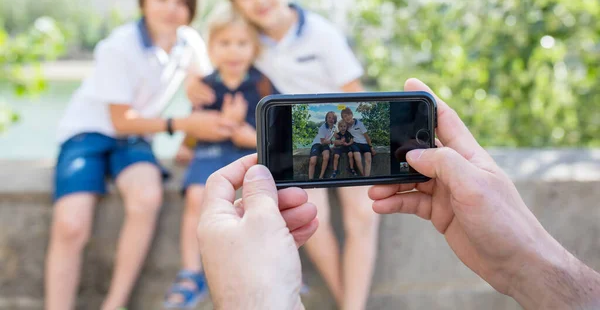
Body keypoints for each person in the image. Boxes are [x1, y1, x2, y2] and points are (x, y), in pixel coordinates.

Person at [196, 78, 600, 310]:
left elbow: (362, 141)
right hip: (330, 151)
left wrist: (251, 302)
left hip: (351, 150)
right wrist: (528, 264)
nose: (343, 117)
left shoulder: (353, 126)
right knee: (330, 156)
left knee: (356, 155)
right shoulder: (326, 127)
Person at [186, 0, 380, 309]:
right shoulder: (250, 44)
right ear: (236, 3)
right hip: (304, 146)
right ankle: (348, 303)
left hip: (345, 131)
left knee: (363, 214)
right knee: (312, 214)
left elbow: (356, 94)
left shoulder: (320, 33)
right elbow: (220, 60)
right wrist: (191, 80)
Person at [44, 0, 224, 310]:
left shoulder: (189, 42)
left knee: (146, 198)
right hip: (88, 134)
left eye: (181, 1)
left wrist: (190, 140)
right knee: (70, 223)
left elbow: (204, 92)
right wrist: (181, 125)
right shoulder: (119, 45)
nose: (171, 8)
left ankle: (114, 304)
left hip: (135, 138)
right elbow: (120, 120)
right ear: (143, 1)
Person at [163, 4, 277, 308]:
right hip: (210, 152)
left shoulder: (262, 84)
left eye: (241, 43)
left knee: (260, 199)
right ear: (211, 47)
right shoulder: (206, 86)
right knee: (196, 197)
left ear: (253, 48)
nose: (233, 51)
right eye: (224, 43)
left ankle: (273, 261)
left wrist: (244, 131)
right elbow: (197, 119)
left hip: (247, 152)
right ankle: (190, 272)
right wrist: (188, 143)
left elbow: (275, 131)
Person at [341, 107, 376, 177]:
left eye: (348, 115)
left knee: (368, 160)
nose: (347, 117)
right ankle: (364, 177)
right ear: (343, 119)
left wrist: (371, 147)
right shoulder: (346, 126)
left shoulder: (359, 124)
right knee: (357, 159)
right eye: (345, 116)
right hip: (355, 144)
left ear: (352, 114)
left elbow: (367, 137)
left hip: (365, 143)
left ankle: (367, 177)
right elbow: (340, 131)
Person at [308, 111, 337, 180]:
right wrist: (332, 142)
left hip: (325, 144)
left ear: (335, 120)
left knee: (326, 157)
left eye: (333, 118)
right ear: (326, 119)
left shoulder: (334, 127)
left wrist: (335, 145)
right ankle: (310, 179)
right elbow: (322, 141)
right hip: (317, 143)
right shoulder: (322, 127)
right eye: (329, 117)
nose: (331, 119)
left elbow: (337, 136)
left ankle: (321, 177)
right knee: (313, 161)